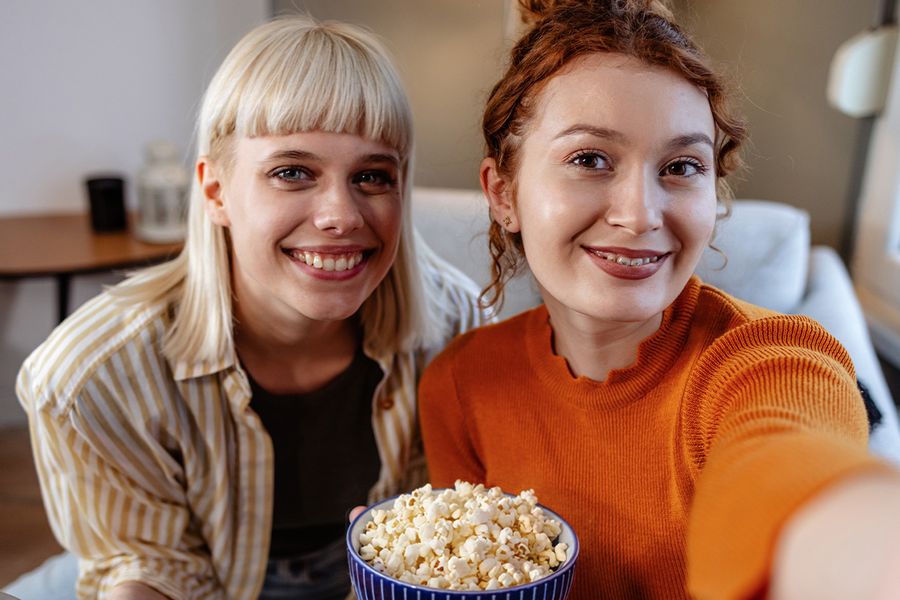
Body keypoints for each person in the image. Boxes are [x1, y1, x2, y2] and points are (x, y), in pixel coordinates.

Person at [418, 1, 900, 598]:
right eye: (590, 159)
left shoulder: (772, 361)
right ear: (503, 192)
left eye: (680, 166)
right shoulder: (460, 384)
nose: (640, 215)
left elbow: (793, 471)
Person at [14, 15, 484, 600]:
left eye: (372, 176)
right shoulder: (90, 376)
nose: (341, 214)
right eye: (292, 172)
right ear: (215, 193)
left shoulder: (458, 328)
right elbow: (145, 560)